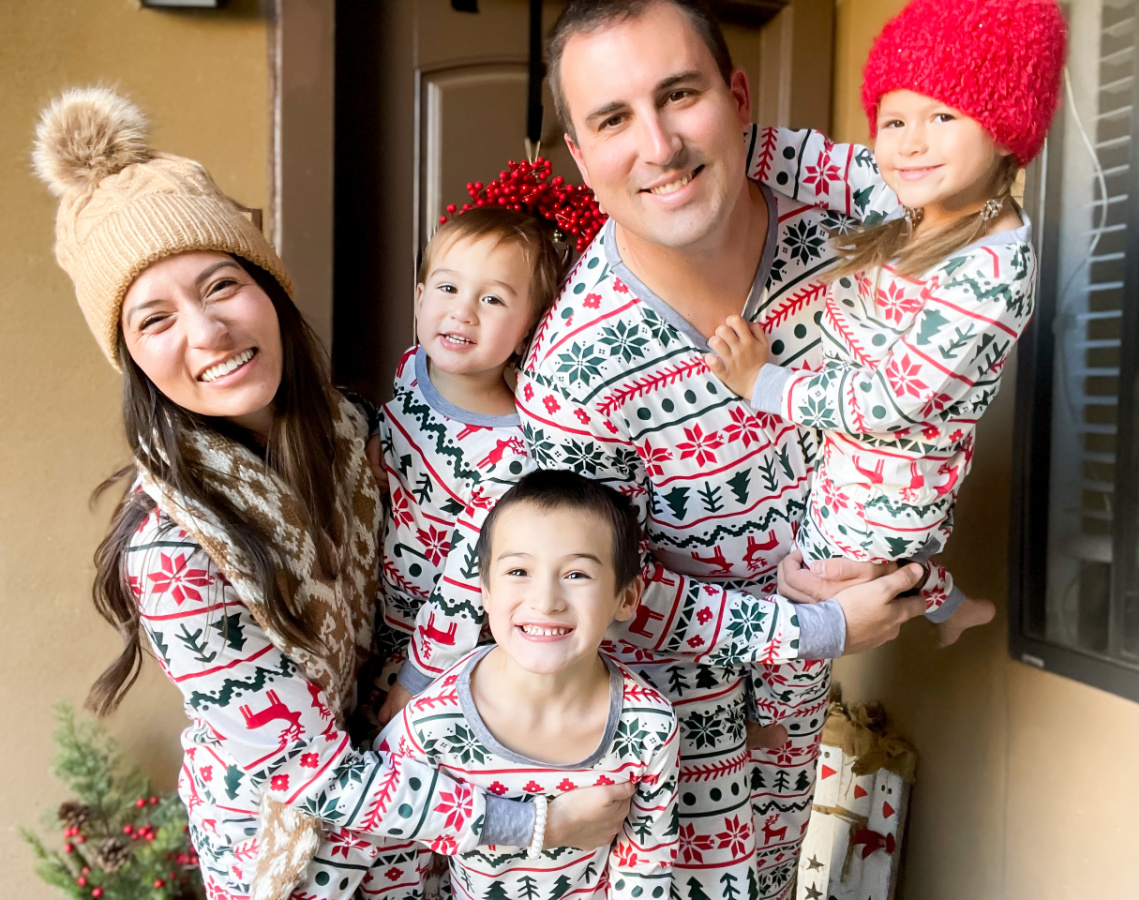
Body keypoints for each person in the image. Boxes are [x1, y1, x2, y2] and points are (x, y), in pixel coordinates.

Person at [33, 87, 635, 900]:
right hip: (293, 864)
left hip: (417, 839)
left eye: (220, 286)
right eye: (154, 319)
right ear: (133, 358)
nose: (207, 333)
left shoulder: (360, 432)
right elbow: (313, 776)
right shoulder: (174, 550)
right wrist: (534, 825)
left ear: (269, 290)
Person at [520, 3, 930, 899]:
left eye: (681, 95)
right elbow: (601, 595)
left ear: (739, 97)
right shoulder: (576, 371)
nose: (660, 145)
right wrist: (813, 623)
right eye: (613, 119)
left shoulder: (838, 212)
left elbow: (962, 208)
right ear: (583, 160)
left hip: (790, 725)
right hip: (661, 754)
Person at [706, 0, 1067, 645]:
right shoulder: (919, 194)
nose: (910, 142)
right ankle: (949, 604)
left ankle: (780, 719)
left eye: (942, 115)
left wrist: (763, 382)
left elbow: (888, 399)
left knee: (812, 592)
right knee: (836, 573)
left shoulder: (991, 271)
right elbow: (820, 164)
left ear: (1005, 129)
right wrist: (716, 140)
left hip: (894, 486)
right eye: (894, 119)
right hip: (852, 456)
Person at [370, 469, 679, 900]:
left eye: (576, 575)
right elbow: (392, 857)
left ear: (625, 598)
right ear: (485, 593)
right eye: (518, 571)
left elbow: (646, 860)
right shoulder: (430, 726)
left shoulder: (650, 725)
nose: (545, 601)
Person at [369, 198, 586, 728]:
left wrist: (414, 681)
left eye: (492, 299)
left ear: (529, 327)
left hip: (442, 640)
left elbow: (465, 583)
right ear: (418, 298)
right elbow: (400, 422)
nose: (462, 311)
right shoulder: (413, 366)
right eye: (447, 288)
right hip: (377, 604)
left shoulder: (513, 452)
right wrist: (380, 442)